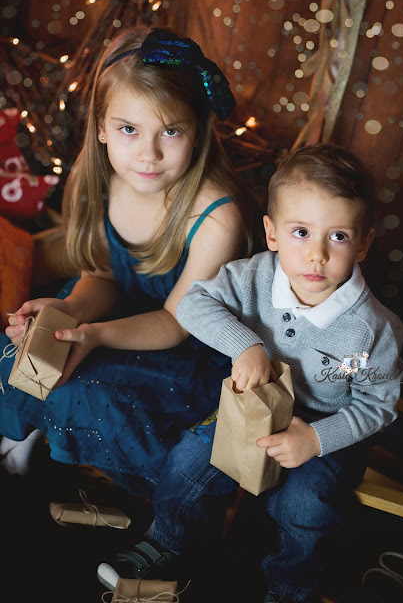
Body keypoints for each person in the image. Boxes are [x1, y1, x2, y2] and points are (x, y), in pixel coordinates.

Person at [97, 143, 403, 602]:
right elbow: (192, 303)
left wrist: (316, 440)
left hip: (326, 429)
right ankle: (169, 541)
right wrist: (246, 344)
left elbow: (377, 405)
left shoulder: (373, 330)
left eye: (338, 236)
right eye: (301, 232)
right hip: (250, 409)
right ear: (273, 233)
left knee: (305, 505)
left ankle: (289, 587)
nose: (317, 255)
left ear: (363, 243)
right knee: (187, 461)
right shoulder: (256, 277)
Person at [0, 26, 254, 494]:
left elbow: (178, 323)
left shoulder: (217, 217)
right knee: (11, 353)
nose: (148, 154)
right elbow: (101, 277)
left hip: (178, 347)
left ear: (197, 132)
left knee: (85, 390)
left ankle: (169, 492)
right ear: (101, 126)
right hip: (111, 317)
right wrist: (69, 313)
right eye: (129, 130)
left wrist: (92, 336)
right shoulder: (102, 182)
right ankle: (27, 434)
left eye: (171, 131)